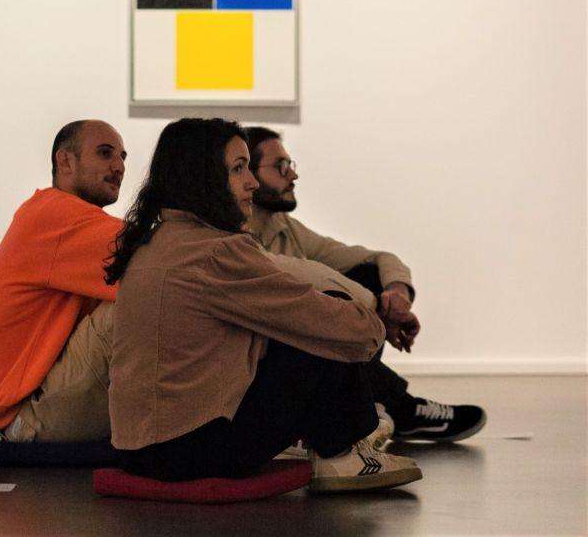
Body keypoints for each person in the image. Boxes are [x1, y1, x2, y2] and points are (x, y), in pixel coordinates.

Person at [106, 118, 423, 492]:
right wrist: (375, 324)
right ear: (204, 177)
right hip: (192, 452)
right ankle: (343, 454)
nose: (252, 183)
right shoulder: (216, 251)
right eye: (238, 169)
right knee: (329, 322)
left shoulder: (153, 243)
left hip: (135, 448)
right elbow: (331, 322)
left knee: (306, 322)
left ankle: (348, 440)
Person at [244, 126, 487, 443]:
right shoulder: (230, 237)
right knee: (325, 317)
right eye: (281, 166)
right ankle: (402, 409)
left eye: (291, 164)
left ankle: (376, 407)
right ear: (247, 175)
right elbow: (303, 275)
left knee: (369, 275)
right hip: (262, 369)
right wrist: (376, 306)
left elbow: (377, 259)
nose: (293, 175)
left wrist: (396, 295)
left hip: (300, 359)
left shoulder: (283, 226)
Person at [0, 120, 126, 442]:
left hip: (33, 406)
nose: (119, 166)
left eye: (122, 157)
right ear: (65, 161)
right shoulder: (54, 215)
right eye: (105, 153)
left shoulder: (61, 216)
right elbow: (160, 255)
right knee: (146, 299)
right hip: (31, 413)